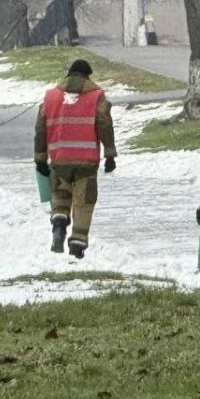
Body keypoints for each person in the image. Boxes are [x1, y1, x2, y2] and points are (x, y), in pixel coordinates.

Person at [34, 59, 117, 259]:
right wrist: (110, 154)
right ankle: (77, 244)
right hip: (86, 163)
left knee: (61, 196)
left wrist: (40, 159)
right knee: (83, 202)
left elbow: (40, 128)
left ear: (68, 75)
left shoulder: (51, 97)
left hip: (60, 160)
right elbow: (104, 123)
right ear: (88, 76)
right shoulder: (96, 96)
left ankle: (59, 222)